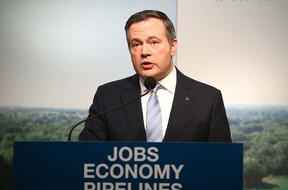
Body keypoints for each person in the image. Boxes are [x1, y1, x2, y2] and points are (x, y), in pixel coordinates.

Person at [78, 10, 232, 142]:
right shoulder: (108, 97)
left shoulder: (208, 99)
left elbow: (222, 163)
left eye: (153, 42)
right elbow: (87, 158)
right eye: (136, 44)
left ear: (173, 47)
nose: (144, 52)